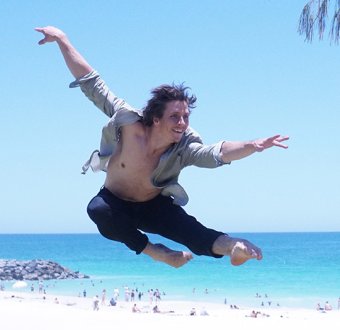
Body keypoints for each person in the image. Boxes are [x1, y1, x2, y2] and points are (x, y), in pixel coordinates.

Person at [35, 26, 289, 269]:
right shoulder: (128, 123)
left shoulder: (185, 146)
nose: (182, 123)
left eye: (186, 117)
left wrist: (252, 145)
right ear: (156, 119)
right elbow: (91, 83)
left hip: (153, 205)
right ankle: (157, 252)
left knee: (194, 232)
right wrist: (62, 39)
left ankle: (235, 247)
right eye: (175, 117)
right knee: (97, 209)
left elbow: (216, 153)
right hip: (116, 203)